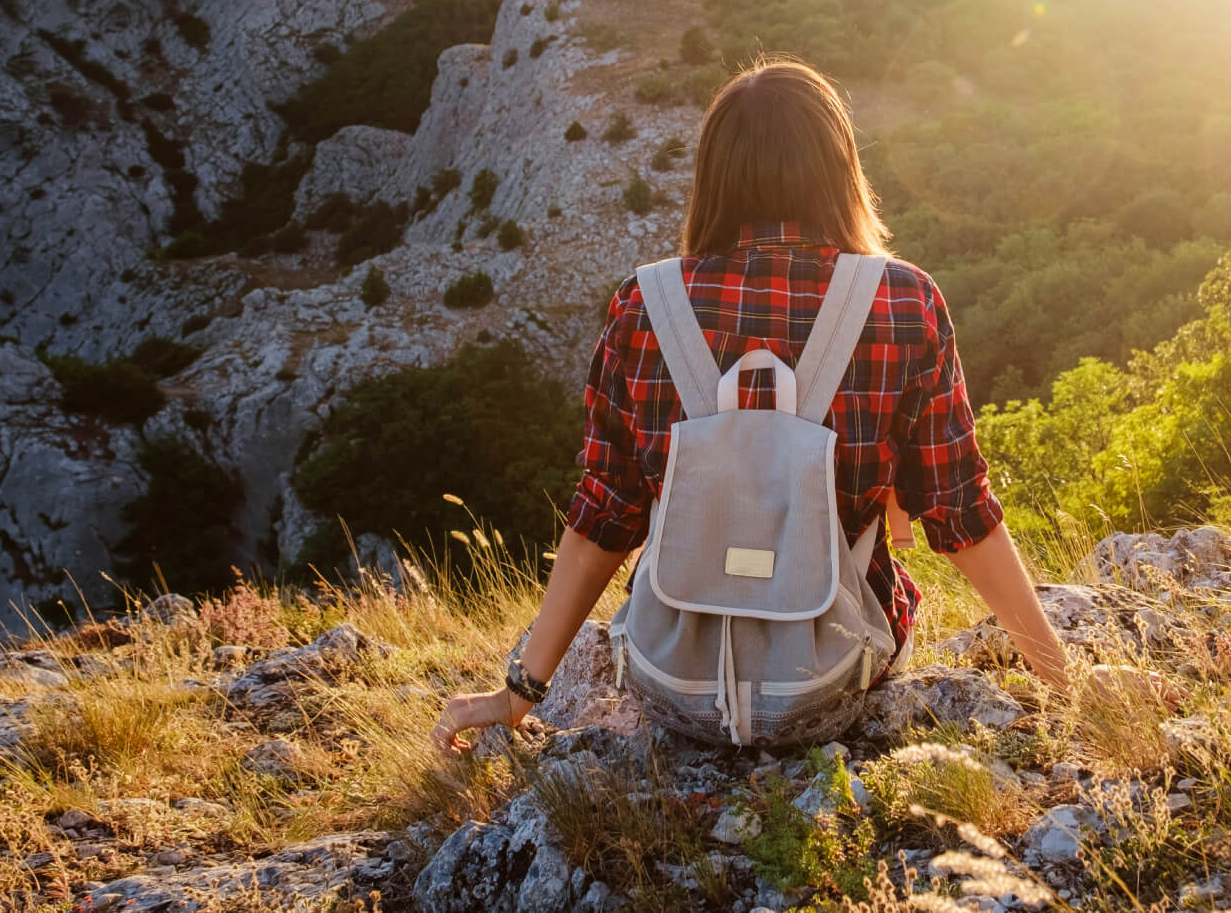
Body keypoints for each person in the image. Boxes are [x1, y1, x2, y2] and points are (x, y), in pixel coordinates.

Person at [432, 59, 1069, 751]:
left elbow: (604, 517)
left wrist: (519, 690)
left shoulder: (643, 305)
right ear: (841, 168)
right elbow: (962, 515)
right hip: (829, 684)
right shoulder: (902, 302)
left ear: (714, 175)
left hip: (674, 685)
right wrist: (1063, 683)